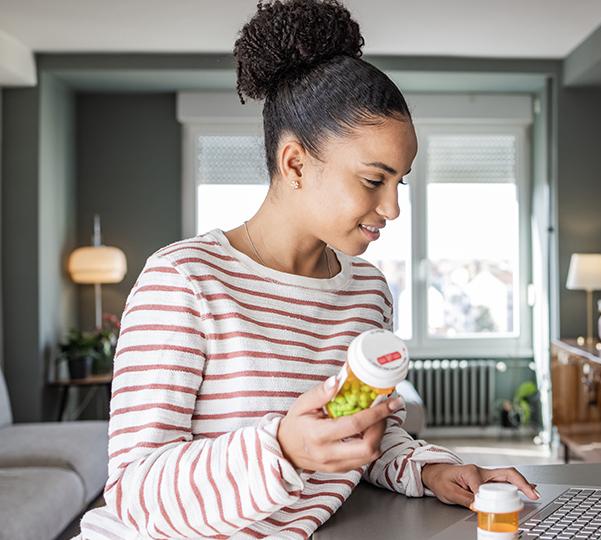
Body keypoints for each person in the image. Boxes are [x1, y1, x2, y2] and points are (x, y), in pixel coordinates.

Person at [78, 1, 538, 537]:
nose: (392, 209)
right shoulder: (183, 282)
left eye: (401, 183)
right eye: (373, 180)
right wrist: (283, 451)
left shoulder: (367, 291)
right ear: (294, 162)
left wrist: (432, 470)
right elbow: (136, 491)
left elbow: (363, 431)